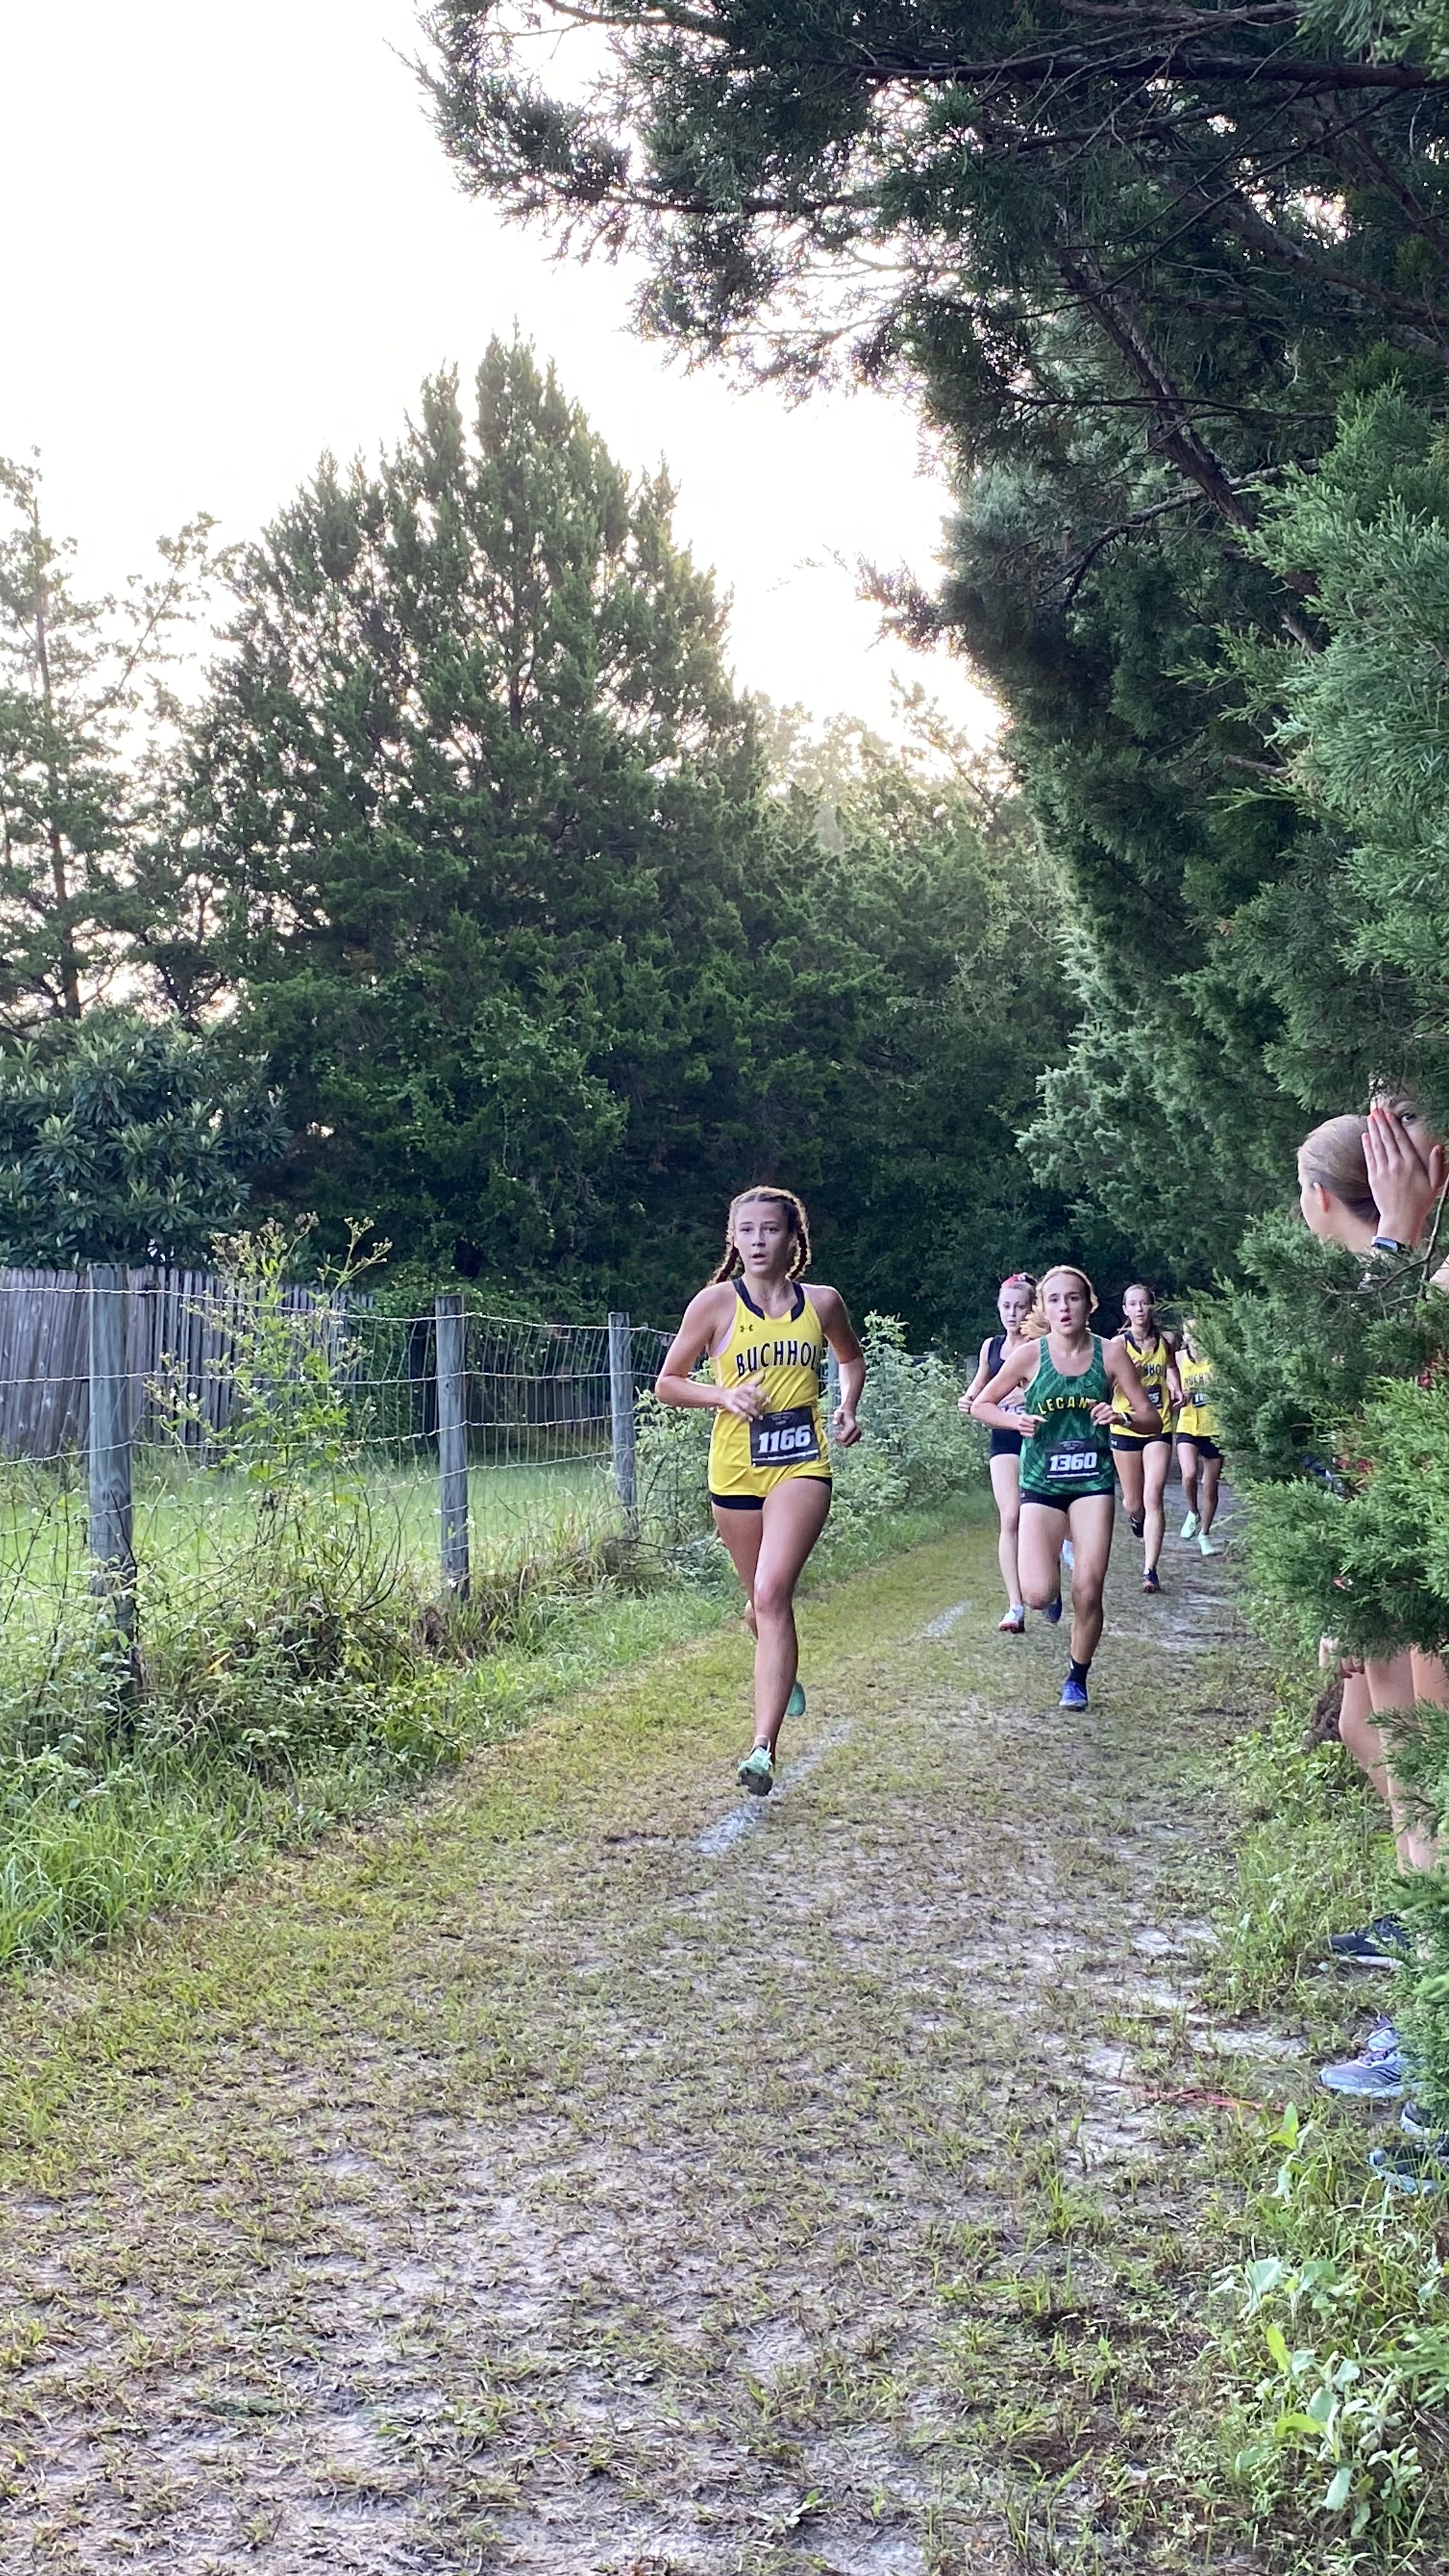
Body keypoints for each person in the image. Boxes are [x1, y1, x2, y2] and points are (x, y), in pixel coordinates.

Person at [654, 1185, 865, 1797]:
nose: (757, 1241)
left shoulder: (822, 1304)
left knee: (774, 1592)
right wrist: (722, 1395)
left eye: (769, 1230)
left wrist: (848, 1406)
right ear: (733, 1239)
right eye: (745, 1231)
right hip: (735, 1471)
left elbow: (850, 1360)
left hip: (801, 1463)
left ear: (793, 1238)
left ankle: (762, 1748)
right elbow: (669, 1383)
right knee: (760, 1604)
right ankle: (782, 1663)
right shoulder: (715, 1304)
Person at [972, 1264, 1158, 1710]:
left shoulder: (1111, 1354)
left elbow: (1152, 1418)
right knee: (1037, 1594)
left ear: (1088, 1304)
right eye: (1054, 1300)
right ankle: (1049, 1585)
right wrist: (1014, 1420)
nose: (1064, 1307)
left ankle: (1077, 1676)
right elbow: (982, 1405)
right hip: (1041, 1483)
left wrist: (1122, 1417)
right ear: (1044, 1309)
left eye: (1073, 1298)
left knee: (1089, 1590)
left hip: (1092, 1482)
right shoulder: (1029, 1356)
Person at [960, 1272, 1036, 1632]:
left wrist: (1020, 1397)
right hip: (1005, 1438)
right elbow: (980, 1386)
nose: (1013, 1314)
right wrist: (968, 1398)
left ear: (1031, 1309)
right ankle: (1015, 1606)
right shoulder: (991, 1347)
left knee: (1040, 1518)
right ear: (998, 1308)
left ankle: (1046, 1582)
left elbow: (1048, 1390)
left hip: (1039, 1437)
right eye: (1007, 1306)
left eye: (1020, 1307)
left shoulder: (1042, 1345)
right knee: (1010, 1517)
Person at [1108, 1284, 1183, 1594]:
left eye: (1144, 1303)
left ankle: (1150, 1570)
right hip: (1125, 1426)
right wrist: (1126, 1374)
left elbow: (1170, 1368)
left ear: (1151, 1307)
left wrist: (1177, 1387)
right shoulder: (1116, 1345)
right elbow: (1104, 1382)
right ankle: (1136, 1518)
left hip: (1158, 1426)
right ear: (1125, 1310)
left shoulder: (1165, 1341)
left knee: (1154, 1496)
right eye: (1133, 1304)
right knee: (1133, 1502)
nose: (1139, 1309)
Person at [1175, 1317, 1222, 1555]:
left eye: (1198, 1332)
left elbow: (1228, 1391)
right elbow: (1171, 1390)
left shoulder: (1216, 1361)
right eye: (1189, 1333)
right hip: (1187, 1425)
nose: (1194, 1337)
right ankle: (1193, 1512)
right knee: (1189, 1475)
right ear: (1184, 1337)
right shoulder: (1179, 1360)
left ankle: (1205, 1534)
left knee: (1210, 1486)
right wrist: (1179, 1395)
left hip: (1214, 1428)